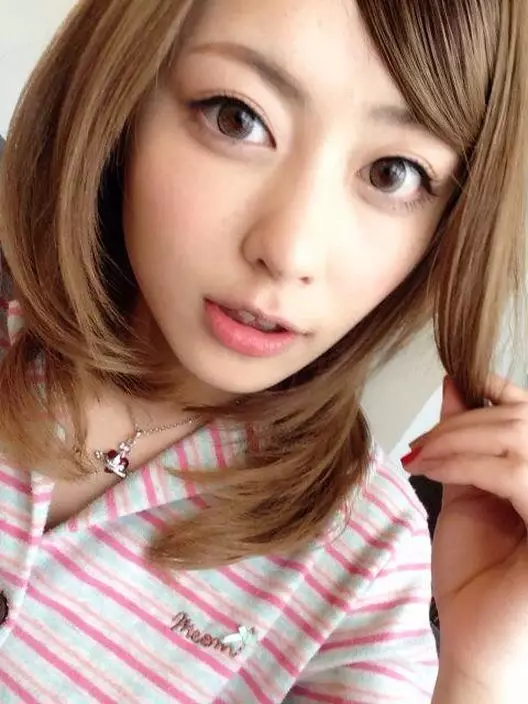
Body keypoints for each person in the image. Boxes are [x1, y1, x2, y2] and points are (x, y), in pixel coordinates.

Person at [0, 0, 526, 701]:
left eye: (393, 173)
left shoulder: (365, 559)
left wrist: (480, 675)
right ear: (125, 97)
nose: (289, 251)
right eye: (236, 118)